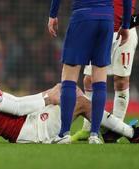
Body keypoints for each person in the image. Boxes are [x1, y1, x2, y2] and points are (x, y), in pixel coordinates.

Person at [0, 60, 139, 144]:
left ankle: (110, 132)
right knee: (81, 103)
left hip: (30, 124)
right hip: (31, 131)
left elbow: (16, 103)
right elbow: (17, 108)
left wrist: (49, 92)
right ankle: (132, 134)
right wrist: (48, 97)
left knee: (70, 90)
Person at [72, 0, 139, 143]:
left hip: (125, 31)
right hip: (98, 27)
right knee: (89, 79)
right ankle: (87, 128)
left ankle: (114, 132)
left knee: (121, 81)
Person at [47, 0, 132, 144]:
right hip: (106, 19)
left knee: (69, 76)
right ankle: (94, 135)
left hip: (82, 17)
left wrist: (53, 15)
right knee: (99, 77)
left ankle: (64, 134)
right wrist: (126, 25)